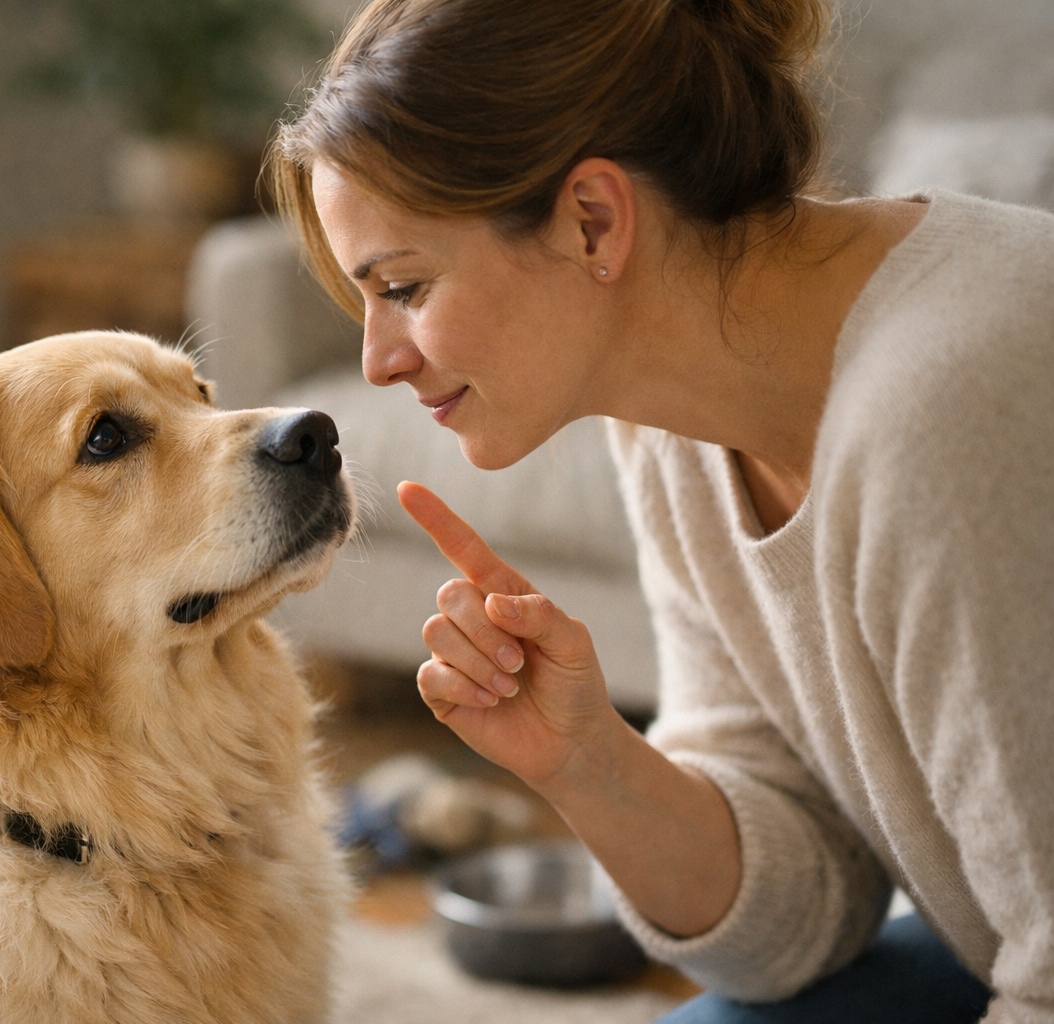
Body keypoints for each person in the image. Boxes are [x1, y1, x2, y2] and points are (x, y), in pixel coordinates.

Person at [266, 0, 1054, 1020]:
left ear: (593, 219)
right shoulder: (670, 426)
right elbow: (797, 919)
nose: (377, 361)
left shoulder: (952, 408)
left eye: (405, 286)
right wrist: (590, 762)